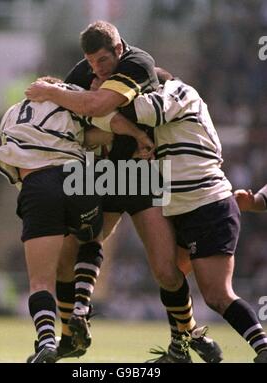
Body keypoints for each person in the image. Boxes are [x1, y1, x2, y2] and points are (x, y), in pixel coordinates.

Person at [26, 21, 222, 363]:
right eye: (91, 63)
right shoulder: (83, 70)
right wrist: (61, 95)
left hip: (143, 174)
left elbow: (98, 106)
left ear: (118, 49)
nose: (95, 69)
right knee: (70, 254)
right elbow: (76, 117)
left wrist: (56, 93)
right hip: (103, 171)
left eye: (102, 61)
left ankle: (188, 335)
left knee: (165, 269)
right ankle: (73, 334)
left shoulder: (139, 64)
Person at [0, 76, 152, 363]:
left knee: (40, 282)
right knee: (91, 238)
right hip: (77, 179)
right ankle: (80, 305)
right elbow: (109, 123)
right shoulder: (71, 98)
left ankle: (47, 342)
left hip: (37, 184)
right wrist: (139, 137)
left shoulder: (11, 114)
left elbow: (14, 159)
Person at [119, 68, 267, 363]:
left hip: (207, 207)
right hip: (191, 208)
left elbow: (144, 111)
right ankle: (180, 350)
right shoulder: (174, 113)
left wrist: (106, 96)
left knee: (217, 295)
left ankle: (263, 348)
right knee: (169, 274)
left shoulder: (177, 92)